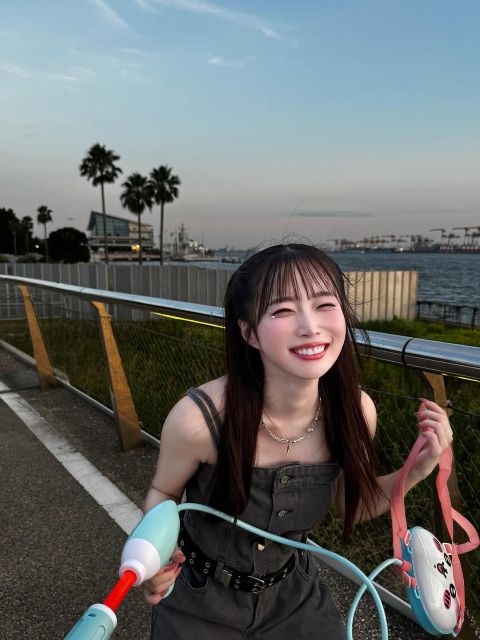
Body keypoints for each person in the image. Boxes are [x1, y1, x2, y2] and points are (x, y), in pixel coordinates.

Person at [143, 243, 453, 639]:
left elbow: (353, 506)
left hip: (294, 596)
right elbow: (163, 493)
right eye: (283, 311)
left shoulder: (356, 411)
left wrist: (418, 468)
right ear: (249, 333)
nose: (310, 326)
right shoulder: (200, 419)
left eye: (325, 305)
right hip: (197, 599)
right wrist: (153, 557)